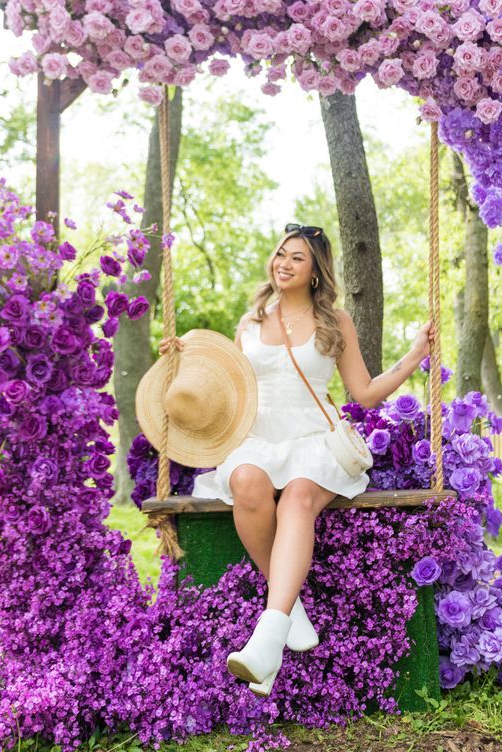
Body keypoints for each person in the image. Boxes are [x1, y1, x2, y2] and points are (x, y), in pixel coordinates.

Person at [159, 222, 435, 696]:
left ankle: (267, 637)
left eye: (297, 258)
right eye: (281, 254)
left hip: (314, 437)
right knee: (246, 482)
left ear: (314, 272)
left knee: (299, 497)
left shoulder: (335, 321)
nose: (283, 263)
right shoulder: (251, 320)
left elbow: (364, 394)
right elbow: (223, 386)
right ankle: (290, 613)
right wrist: (183, 357)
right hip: (258, 436)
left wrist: (413, 357)